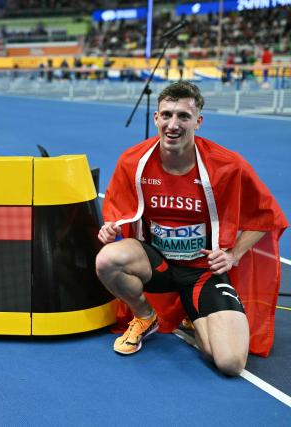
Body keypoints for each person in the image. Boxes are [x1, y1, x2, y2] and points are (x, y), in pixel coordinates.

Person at [95, 81, 287, 376]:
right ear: (156, 118)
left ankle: (192, 312)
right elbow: (117, 211)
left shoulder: (227, 164)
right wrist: (110, 228)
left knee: (230, 363)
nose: (173, 124)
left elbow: (266, 216)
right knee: (107, 258)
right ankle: (146, 316)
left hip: (202, 272)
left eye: (183, 116)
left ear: (198, 121)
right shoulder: (134, 161)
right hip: (156, 265)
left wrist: (234, 254)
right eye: (167, 114)